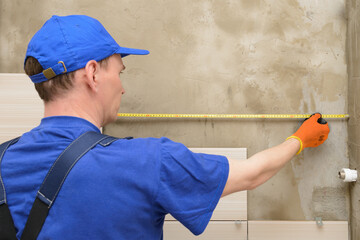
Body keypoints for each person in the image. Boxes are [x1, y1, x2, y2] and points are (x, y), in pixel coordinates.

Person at [0, 15, 329, 239]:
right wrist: (300, 139)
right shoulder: (147, 161)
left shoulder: (2, 163)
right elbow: (251, 174)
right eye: (120, 72)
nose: (123, 87)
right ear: (92, 73)